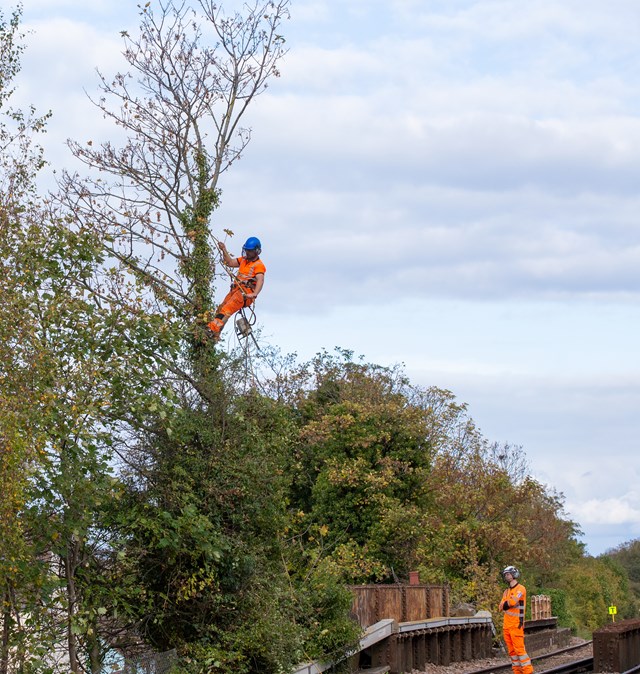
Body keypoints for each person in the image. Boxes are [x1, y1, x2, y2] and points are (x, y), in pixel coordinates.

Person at [207, 236, 266, 341]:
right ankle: (216, 333)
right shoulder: (243, 260)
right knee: (221, 308)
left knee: (227, 309)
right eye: (246, 250)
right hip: (236, 290)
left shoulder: (259, 265)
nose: (247, 253)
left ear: (256, 251)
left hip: (245, 294)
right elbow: (229, 263)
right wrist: (224, 250)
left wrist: (254, 294)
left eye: (250, 251)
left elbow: (260, 280)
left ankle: (212, 330)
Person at [499, 565, 533, 674]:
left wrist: (507, 603)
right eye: (505, 575)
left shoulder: (521, 589)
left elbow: (512, 603)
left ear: (514, 575)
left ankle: (528, 672)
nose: (506, 576)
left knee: (520, 651)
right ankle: (517, 672)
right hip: (506, 626)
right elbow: (501, 607)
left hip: (516, 625)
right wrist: (508, 603)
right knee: (512, 652)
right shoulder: (506, 591)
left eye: (508, 574)